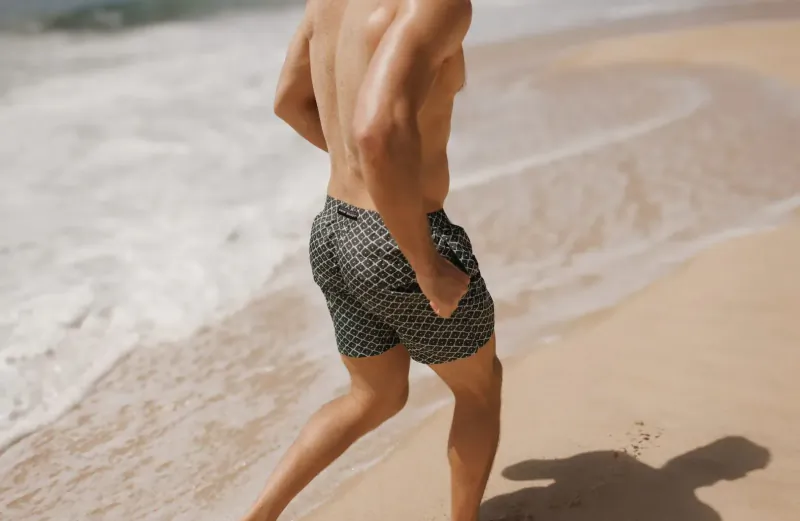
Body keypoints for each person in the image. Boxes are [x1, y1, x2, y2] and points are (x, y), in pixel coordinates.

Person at [242, 1, 502, 520]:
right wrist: (425, 264)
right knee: (480, 390)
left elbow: (289, 103)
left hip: (335, 230)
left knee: (374, 396)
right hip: (399, 240)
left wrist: (358, 174)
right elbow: (376, 132)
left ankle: (259, 516)